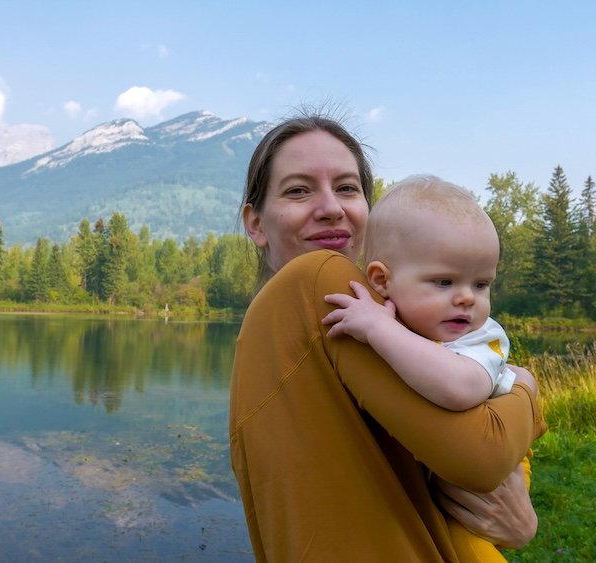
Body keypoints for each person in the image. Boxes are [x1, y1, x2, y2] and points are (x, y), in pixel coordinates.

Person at [230, 113, 547, 561]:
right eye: (298, 190)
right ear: (256, 223)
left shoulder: (265, 339)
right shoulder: (321, 280)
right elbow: (484, 458)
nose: (331, 207)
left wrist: (516, 519)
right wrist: (528, 390)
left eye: (347, 188)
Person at [321, 176, 534, 562]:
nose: (468, 297)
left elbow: (461, 389)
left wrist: (379, 329)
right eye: (444, 281)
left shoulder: (480, 338)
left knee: (468, 550)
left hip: (491, 483)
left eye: (482, 284)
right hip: (435, 479)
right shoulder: (409, 330)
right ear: (382, 281)